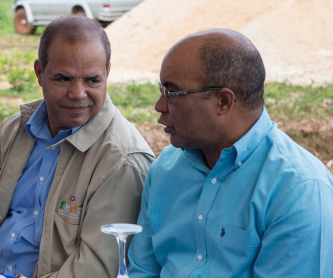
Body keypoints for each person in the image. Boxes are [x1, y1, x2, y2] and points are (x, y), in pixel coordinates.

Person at [129, 29, 333, 277]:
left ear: (223, 101)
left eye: (172, 93)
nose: (159, 105)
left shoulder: (298, 189)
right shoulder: (165, 169)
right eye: (162, 90)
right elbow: (142, 271)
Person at [0, 15, 155, 278]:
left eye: (92, 80)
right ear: (39, 73)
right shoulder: (17, 129)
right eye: (64, 79)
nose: (78, 93)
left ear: (107, 74)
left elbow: (95, 269)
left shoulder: (121, 160)